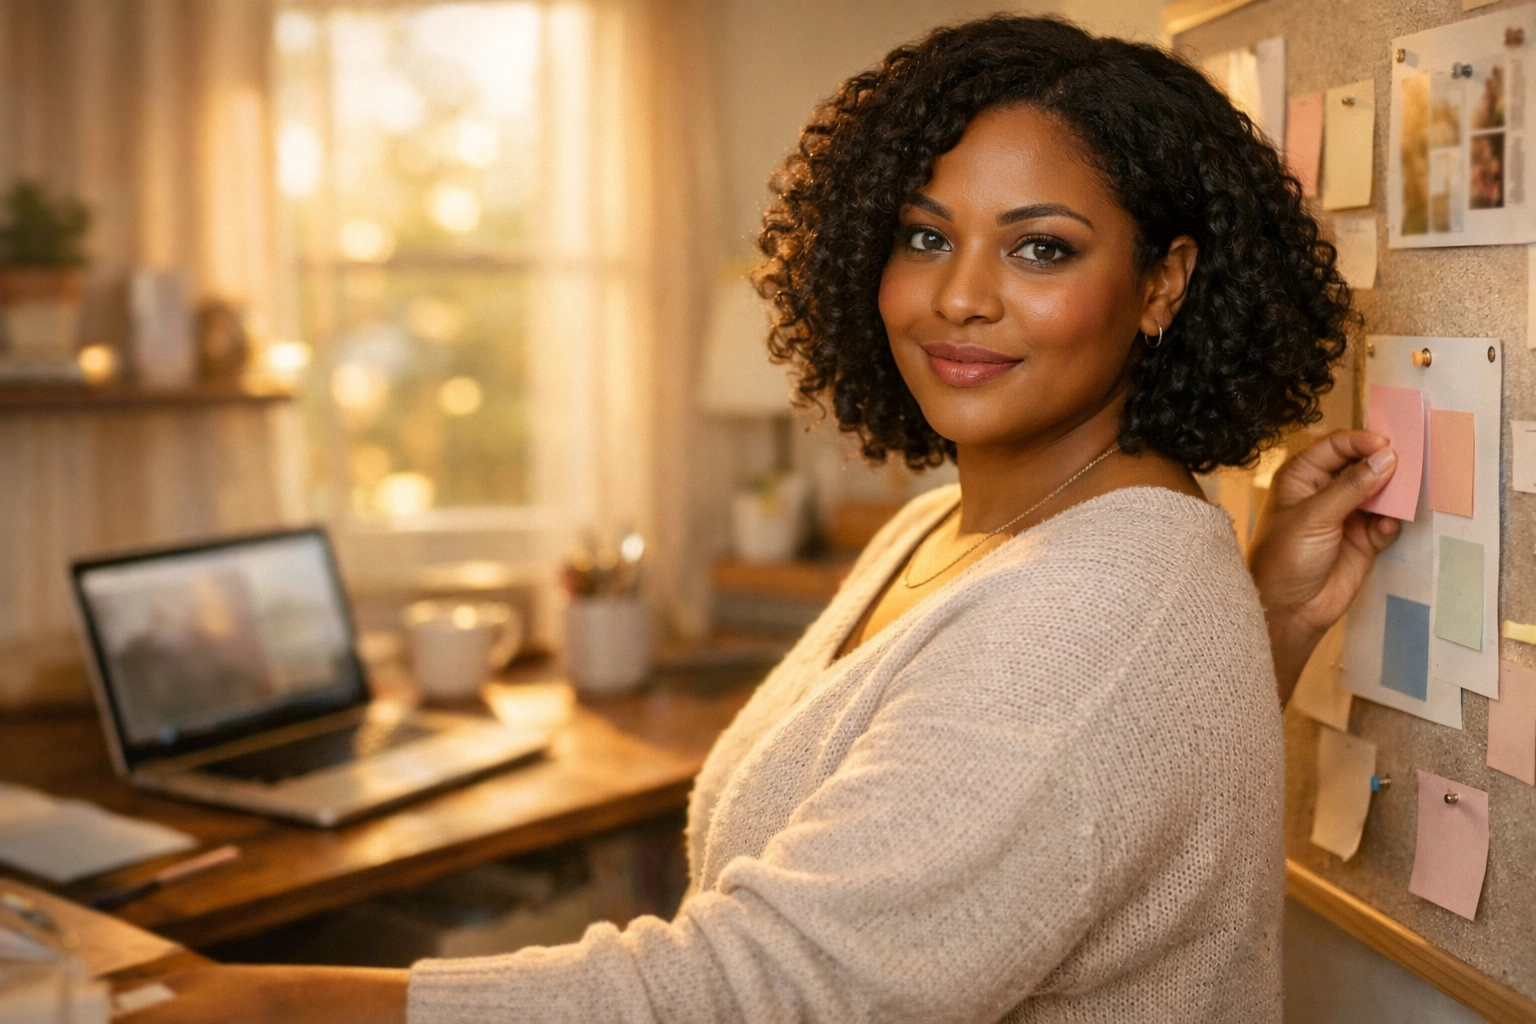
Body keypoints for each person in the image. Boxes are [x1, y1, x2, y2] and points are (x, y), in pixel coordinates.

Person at [125, 16, 1402, 1024]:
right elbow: (1080, 790)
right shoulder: (942, 530)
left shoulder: (1102, 598)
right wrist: (1261, 625)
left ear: (1162, 284)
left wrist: (262, 1001)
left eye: (1041, 249)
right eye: (923, 236)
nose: (958, 297)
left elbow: (765, 994)